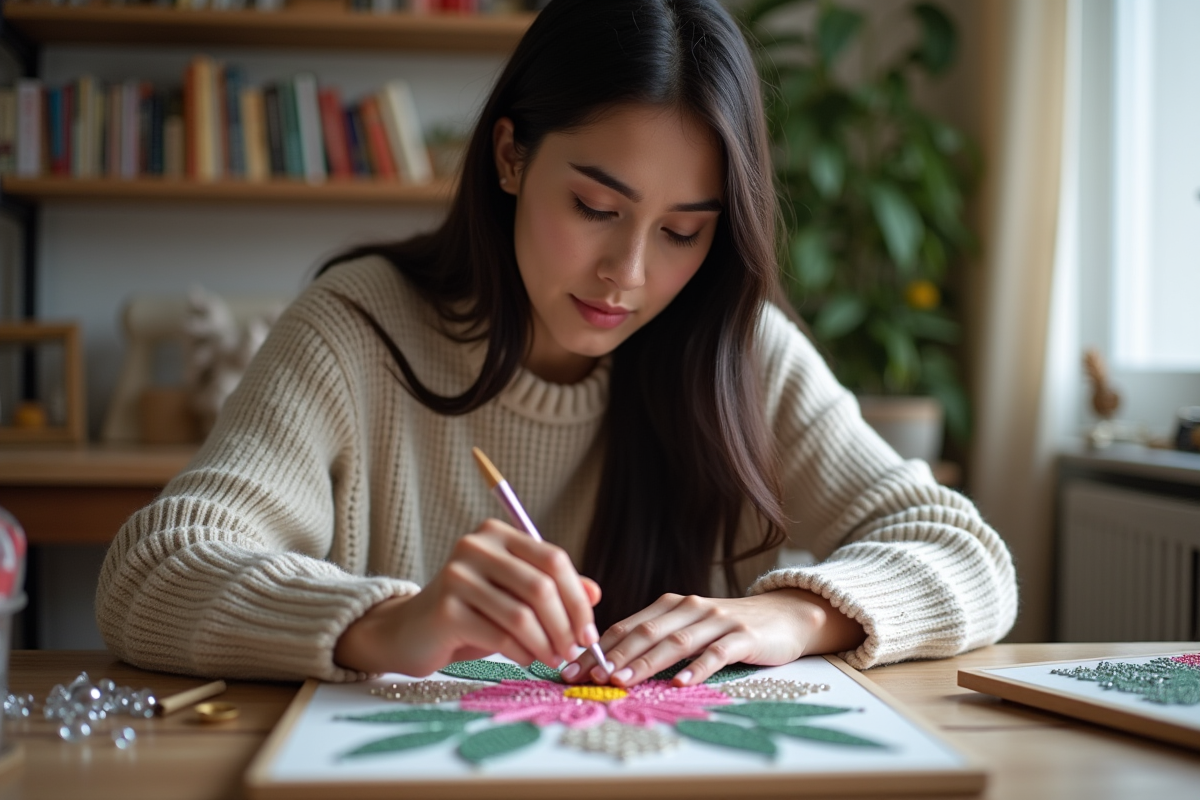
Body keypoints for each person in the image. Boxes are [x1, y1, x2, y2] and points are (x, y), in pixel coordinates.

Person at [95, 0, 1016, 686]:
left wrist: (793, 613)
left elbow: (970, 556)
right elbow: (153, 570)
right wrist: (387, 623)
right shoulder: (356, 328)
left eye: (684, 231)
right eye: (596, 207)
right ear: (509, 156)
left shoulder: (736, 348)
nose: (630, 271)